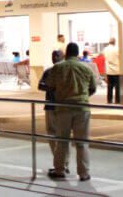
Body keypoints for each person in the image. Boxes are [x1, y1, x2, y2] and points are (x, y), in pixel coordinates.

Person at [44, 42, 96, 181]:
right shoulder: (86, 68)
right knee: (82, 142)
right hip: (82, 108)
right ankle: (84, 173)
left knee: (62, 141)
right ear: (78, 53)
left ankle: (60, 170)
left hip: (63, 108)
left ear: (66, 53)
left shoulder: (58, 68)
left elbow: (49, 86)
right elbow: (92, 88)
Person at [37, 50, 65, 164]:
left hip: (62, 107)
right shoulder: (48, 71)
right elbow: (40, 85)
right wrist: (51, 88)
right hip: (50, 105)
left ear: (62, 57)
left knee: (62, 134)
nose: (54, 57)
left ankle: (63, 162)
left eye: (57, 55)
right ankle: (58, 160)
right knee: (51, 133)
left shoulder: (65, 70)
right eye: (52, 55)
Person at [102, 37, 121, 104]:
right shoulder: (117, 49)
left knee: (109, 87)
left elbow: (104, 59)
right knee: (117, 87)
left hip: (109, 70)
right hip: (117, 70)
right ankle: (117, 100)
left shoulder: (105, 49)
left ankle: (109, 100)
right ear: (114, 42)